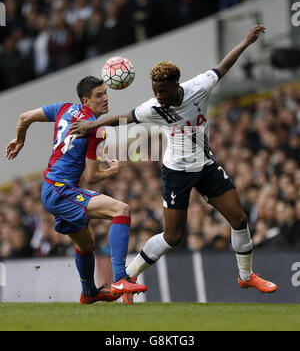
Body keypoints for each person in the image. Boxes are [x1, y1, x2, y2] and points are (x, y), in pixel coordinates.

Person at [70, 25, 278, 303]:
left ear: (176, 86)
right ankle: (129, 275)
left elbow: (223, 66)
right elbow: (123, 118)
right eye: (155, 91)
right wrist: (91, 124)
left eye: (163, 91)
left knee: (239, 220)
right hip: (176, 173)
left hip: (204, 165)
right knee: (172, 236)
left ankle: (246, 276)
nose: (159, 96)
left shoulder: (199, 87)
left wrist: (246, 41)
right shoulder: (152, 108)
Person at [5, 76, 147, 305]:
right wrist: (111, 171)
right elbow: (92, 177)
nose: (105, 98)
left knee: (85, 244)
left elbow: (24, 117)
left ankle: (89, 293)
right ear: (86, 100)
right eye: (99, 95)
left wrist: (20, 140)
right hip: (61, 190)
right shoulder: (95, 130)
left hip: (51, 188)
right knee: (122, 209)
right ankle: (120, 278)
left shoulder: (63, 108)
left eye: (105, 93)